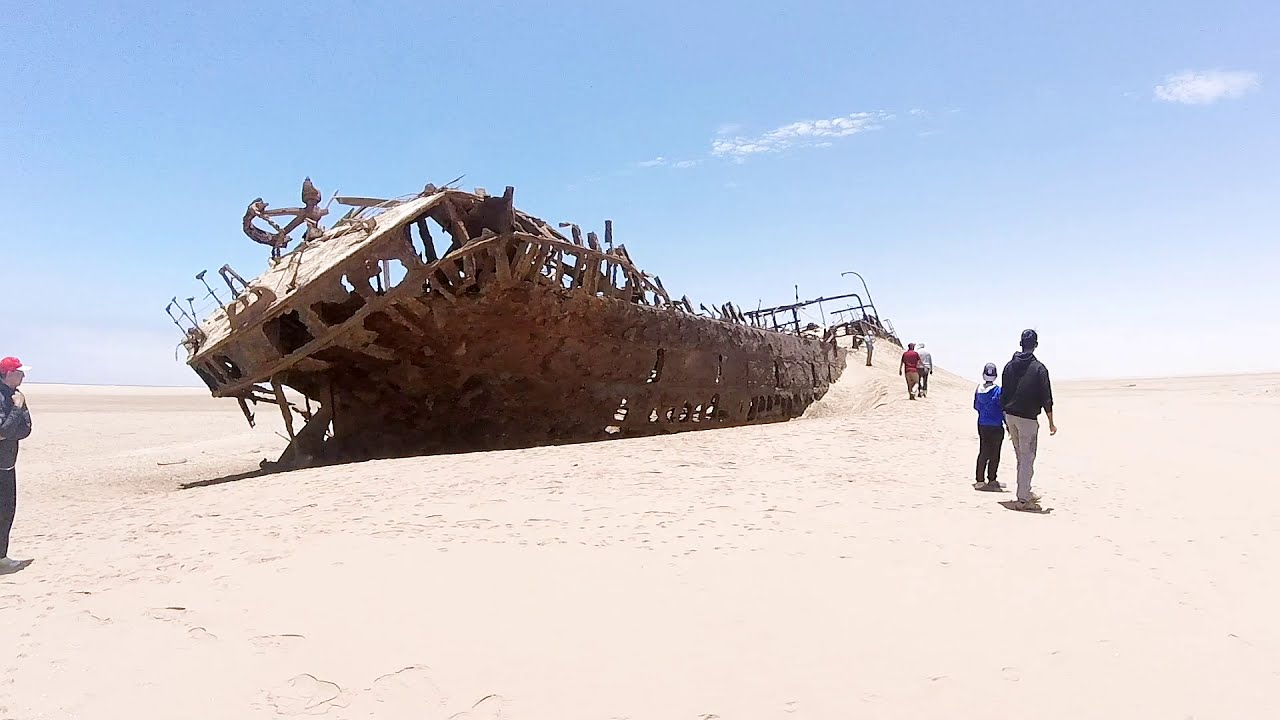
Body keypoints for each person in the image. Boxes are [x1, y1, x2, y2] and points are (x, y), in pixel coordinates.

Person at [1000, 330, 1057, 511]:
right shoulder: (1039, 368)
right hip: (1027, 419)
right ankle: (1023, 498)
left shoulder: (1009, 366)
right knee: (1027, 458)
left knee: (1021, 456)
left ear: (1020, 343)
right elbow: (1046, 397)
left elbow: (1004, 394)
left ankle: (1024, 490)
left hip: (1010, 416)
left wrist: (1005, 420)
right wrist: (1051, 422)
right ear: (1036, 345)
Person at [0, 357, 33, 571]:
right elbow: (3, 431)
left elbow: (26, 429)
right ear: (8, 373)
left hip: (7, 464)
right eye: (20, 372)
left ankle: (1, 556)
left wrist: (9, 432)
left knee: (7, 511)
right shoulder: (8, 398)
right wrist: (16, 409)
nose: (23, 376)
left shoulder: (18, 396)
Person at [973, 363, 1004, 491]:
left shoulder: (978, 389)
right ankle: (992, 479)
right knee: (994, 453)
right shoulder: (998, 390)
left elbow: (976, 406)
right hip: (996, 425)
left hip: (982, 424)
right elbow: (1002, 407)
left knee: (983, 451)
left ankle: (979, 480)